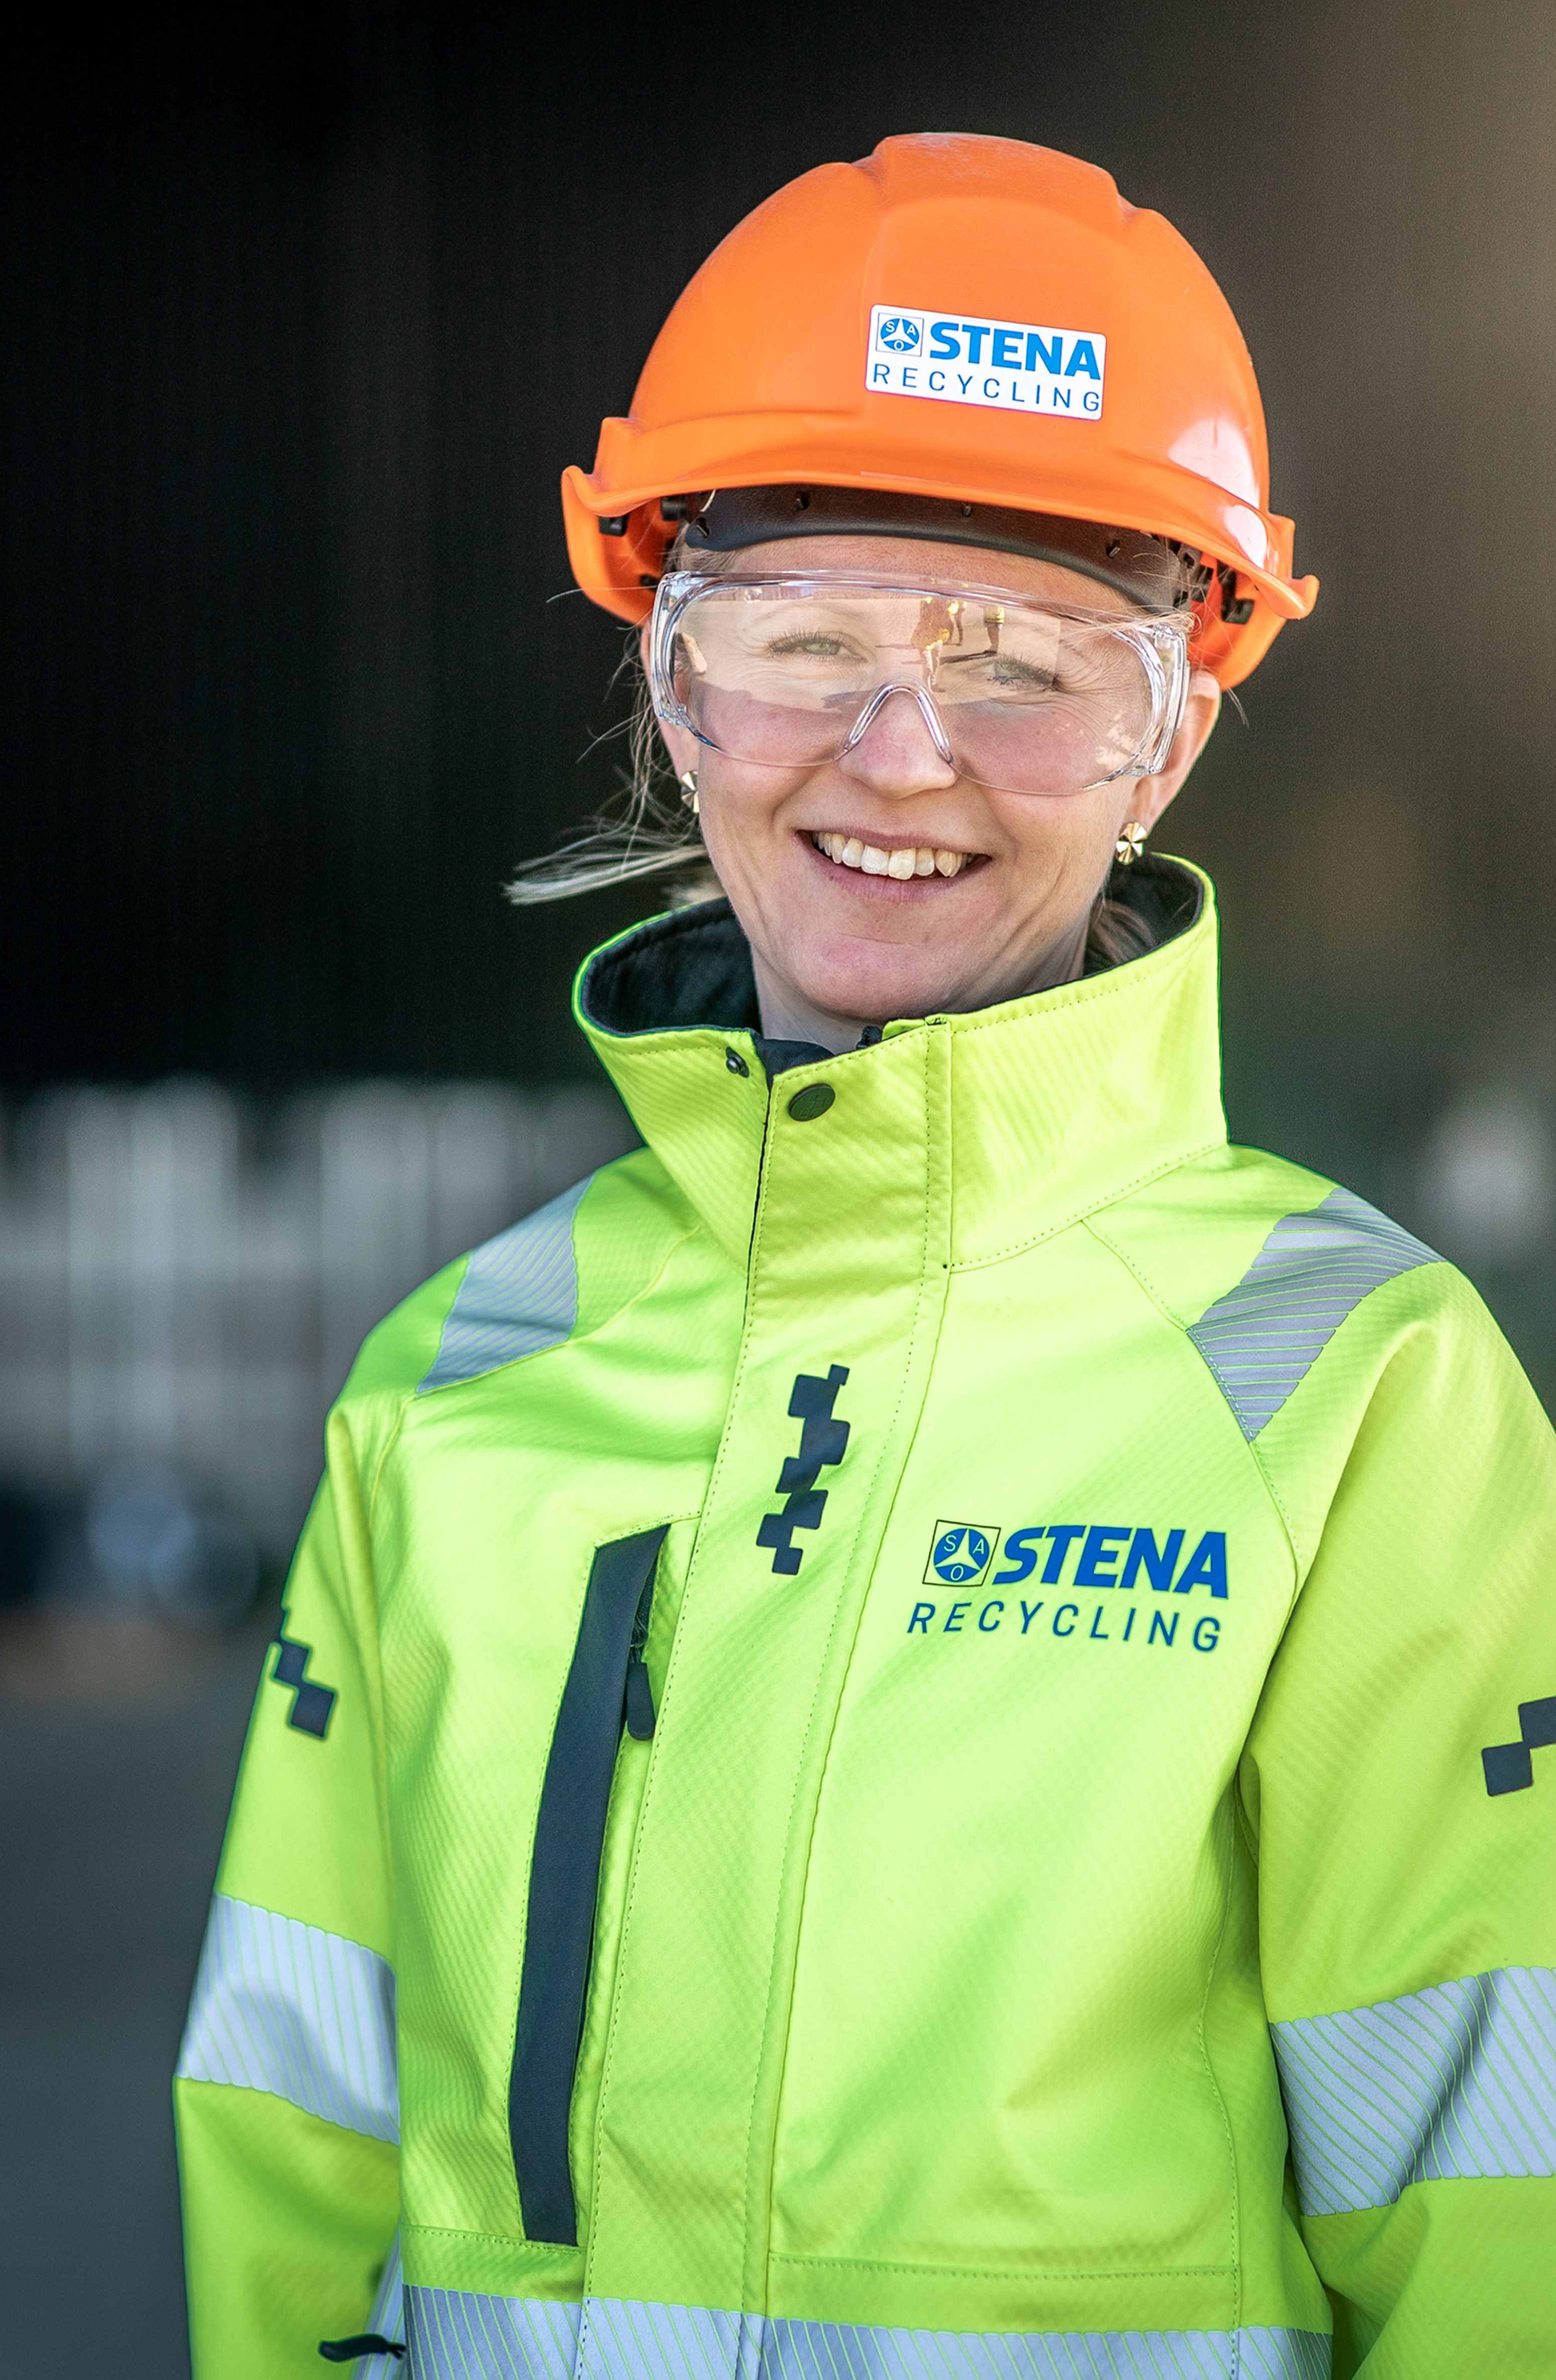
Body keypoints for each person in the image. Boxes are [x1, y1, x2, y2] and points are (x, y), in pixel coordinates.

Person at [174, 136, 1554, 2379]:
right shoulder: (459, 1376)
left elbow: (1499, 2201)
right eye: (800, 644)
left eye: (1026, 665)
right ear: (673, 688)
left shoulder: (1351, 1388)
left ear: (1175, 732)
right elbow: (296, 2116)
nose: (895, 758)